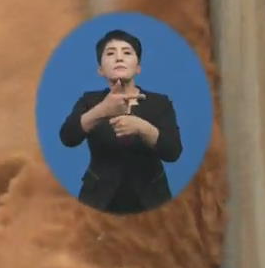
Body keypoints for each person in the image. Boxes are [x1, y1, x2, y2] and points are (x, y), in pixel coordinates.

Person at [59, 29, 182, 214]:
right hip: (99, 202)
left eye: (127, 52)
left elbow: (172, 152)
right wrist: (102, 110)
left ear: (138, 67)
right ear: (100, 69)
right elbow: (68, 137)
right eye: (110, 53)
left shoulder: (160, 103)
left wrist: (143, 128)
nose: (119, 58)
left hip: (152, 202)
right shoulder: (90, 101)